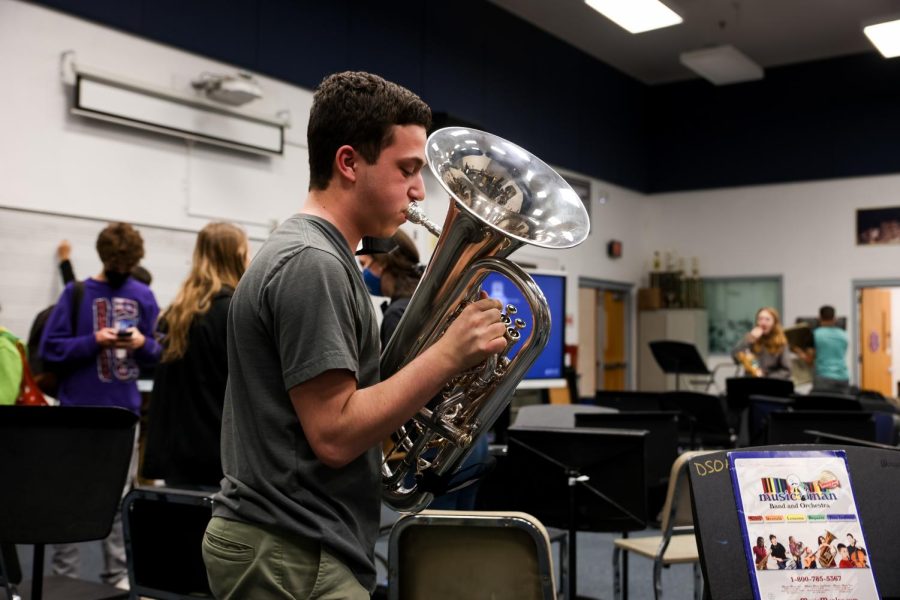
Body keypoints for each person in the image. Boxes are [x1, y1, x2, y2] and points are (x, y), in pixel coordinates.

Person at [201, 71, 508, 599]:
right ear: (348, 162)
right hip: (292, 546)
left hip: (300, 541)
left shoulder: (321, 256)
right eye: (408, 170)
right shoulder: (312, 263)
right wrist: (449, 354)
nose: (419, 191)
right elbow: (336, 435)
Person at [39, 222, 161, 589]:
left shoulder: (143, 295)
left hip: (122, 417)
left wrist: (143, 344)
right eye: (117, 263)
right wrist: (94, 340)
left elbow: (159, 355)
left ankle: (119, 578)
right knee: (69, 499)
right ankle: (63, 579)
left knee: (119, 499)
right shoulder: (76, 294)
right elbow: (51, 349)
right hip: (76, 416)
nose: (122, 270)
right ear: (105, 257)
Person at [142, 222, 248, 488]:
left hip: (179, 456)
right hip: (220, 458)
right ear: (235, 255)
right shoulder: (235, 311)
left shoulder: (178, 313)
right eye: (246, 253)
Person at [794, 305, 850, 393]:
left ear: (819, 318)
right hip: (843, 378)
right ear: (835, 318)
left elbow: (809, 360)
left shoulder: (815, 335)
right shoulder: (844, 335)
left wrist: (799, 353)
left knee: (821, 406)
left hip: (823, 378)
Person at [733, 307, 791, 379]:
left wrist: (765, 378)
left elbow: (786, 370)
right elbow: (736, 357)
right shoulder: (751, 339)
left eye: (767, 319)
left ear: (774, 323)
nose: (763, 323)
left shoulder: (781, 342)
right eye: (760, 319)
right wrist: (749, 339)